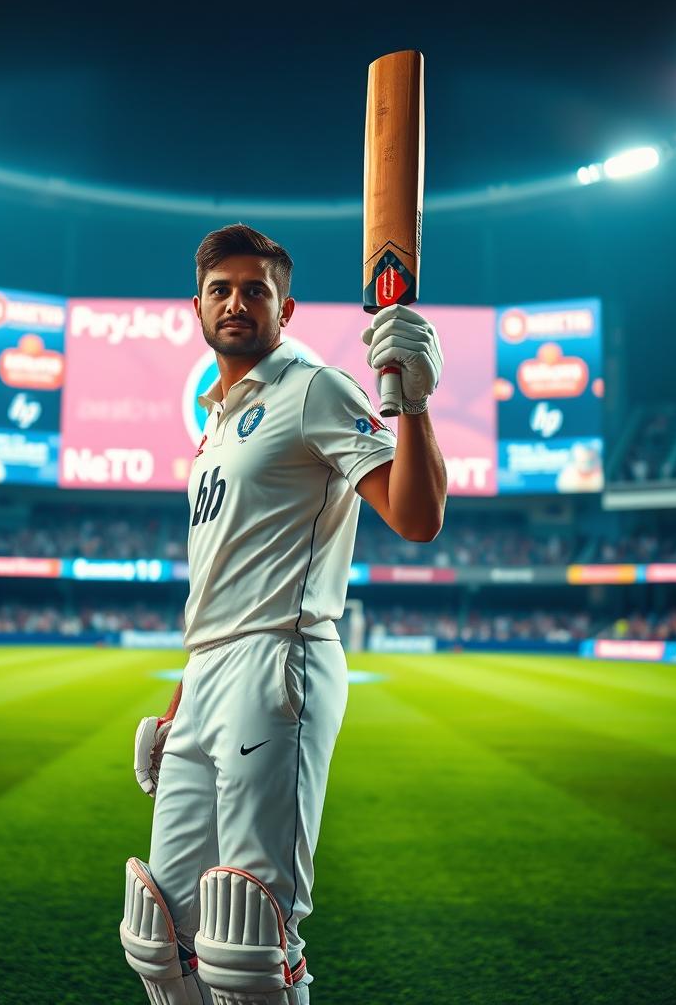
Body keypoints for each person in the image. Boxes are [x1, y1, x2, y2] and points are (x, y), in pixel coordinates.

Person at [120, 224, 446, 1004]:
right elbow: (221, 581)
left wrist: (418, 407)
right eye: (221, 289)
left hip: (279, 663)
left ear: (285, 307)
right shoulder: (215, 420)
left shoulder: (315, 388)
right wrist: (184, 691)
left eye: (255, 290)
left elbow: (418, 517)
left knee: (250, 936)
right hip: (208, 674)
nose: (237, 302)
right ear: (195, 306)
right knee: (161, 933)